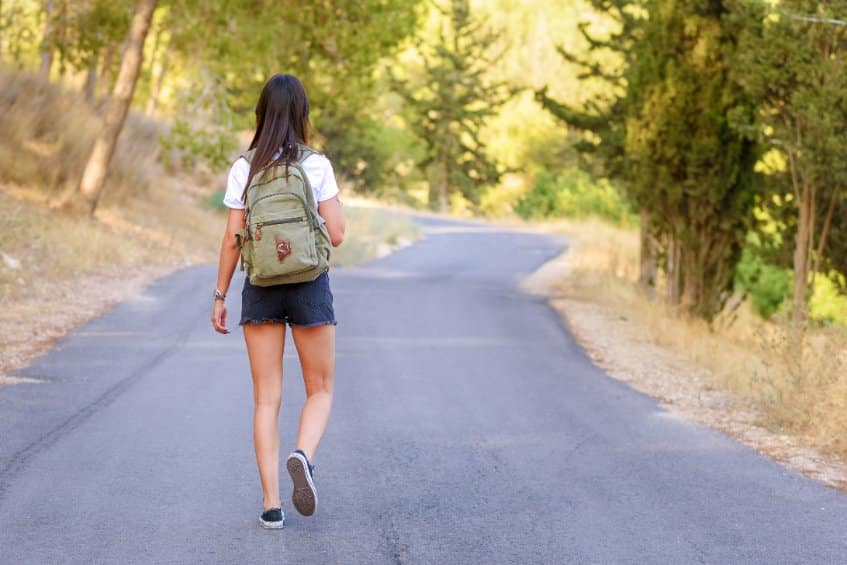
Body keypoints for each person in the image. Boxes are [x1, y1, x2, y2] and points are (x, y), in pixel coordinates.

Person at [210, 74, 346, 530]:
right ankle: (303, 455)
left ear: (262, 113)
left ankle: (271, 506)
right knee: (320, 389)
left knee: (266, 399)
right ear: (303, 114)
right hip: (309, 283)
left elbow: (233, 240)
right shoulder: (317, 165)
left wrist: (220, 295)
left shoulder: (244, 167)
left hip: (261, 284)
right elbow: (339, 234)